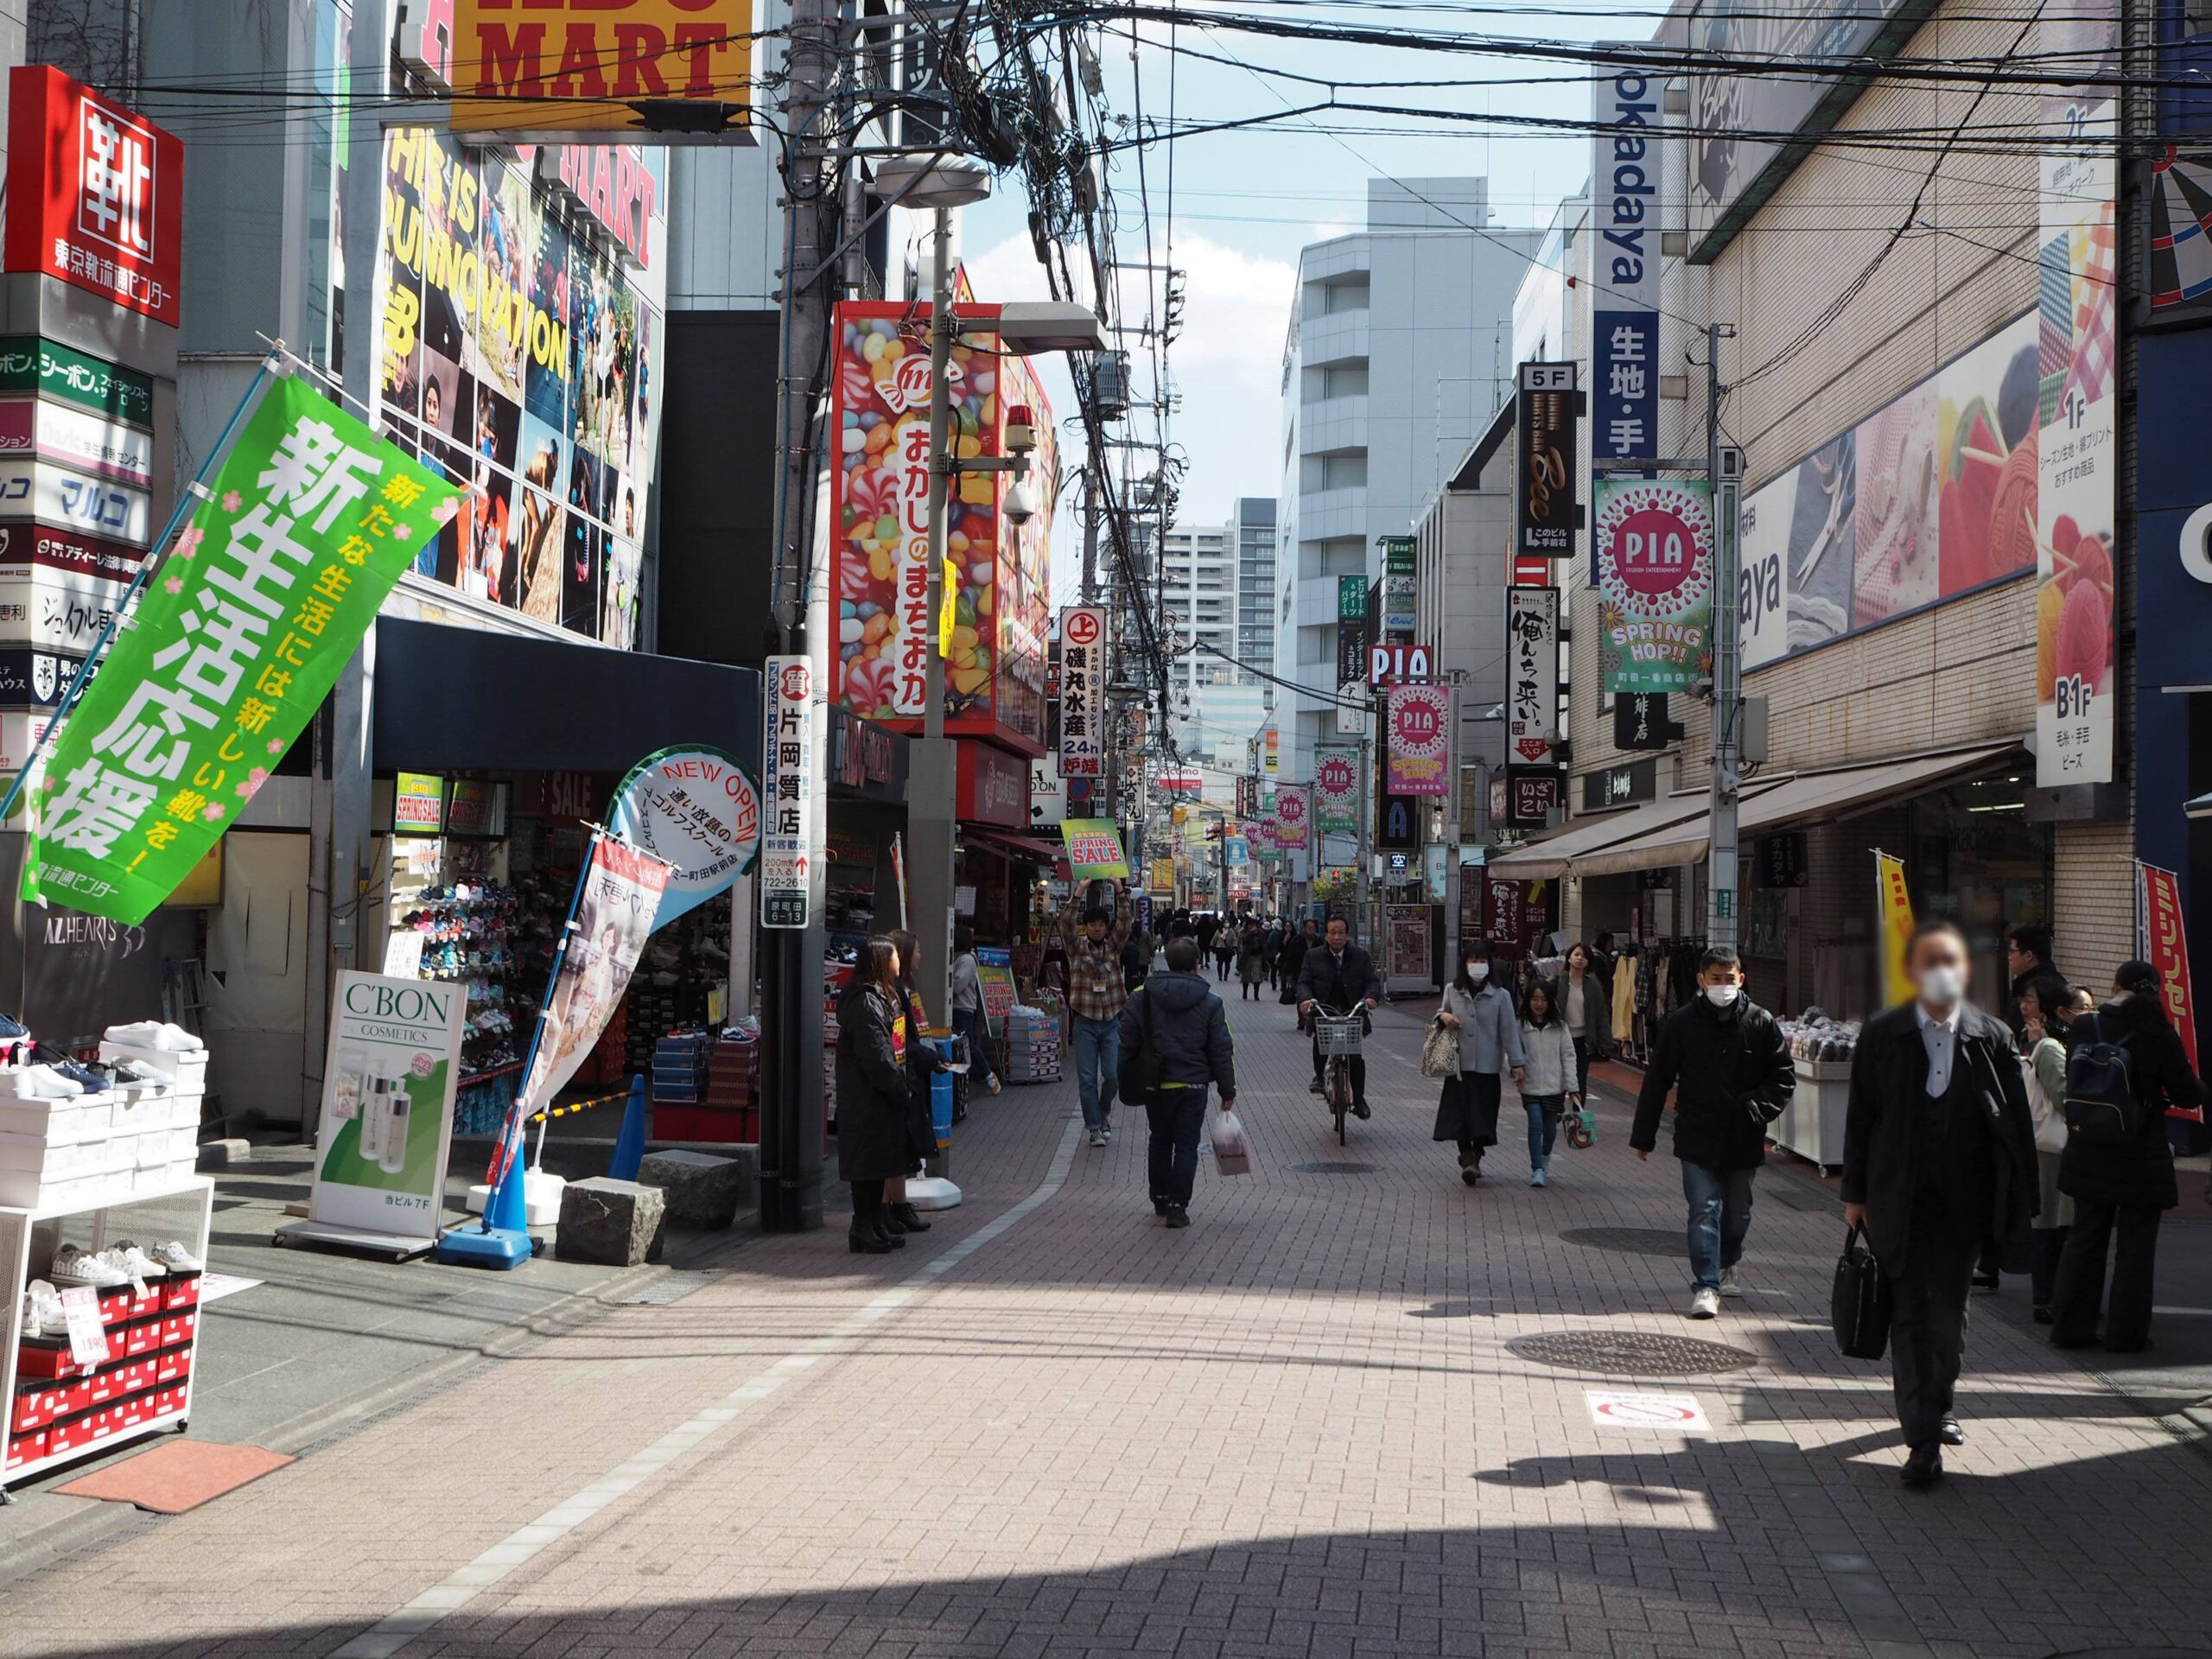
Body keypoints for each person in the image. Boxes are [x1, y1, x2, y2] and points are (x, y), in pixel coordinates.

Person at [1843, 920, 2037, 1487]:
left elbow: (2016, 1126)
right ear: (1910, 971)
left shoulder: (1992, 1036)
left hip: (1965, 1199)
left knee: (1948, 1314)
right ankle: (1922, 1439)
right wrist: (1854, 1194)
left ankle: (1940, 1401)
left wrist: (2022, 1198)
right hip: (1897, 1197)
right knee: (1909, 1315)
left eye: (1952, 961)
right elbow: (1862, 1119)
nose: (1943, 972)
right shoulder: (1882, 1035)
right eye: (1931, 962)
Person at [2050, 960, 2206, 1354]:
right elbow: (2187, 1093)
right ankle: (2126, 1334)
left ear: (2115, 985)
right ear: (2154, 991)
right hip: (2140, 1150)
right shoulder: (2158, 1033)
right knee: (2136, 1247)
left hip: (2089, 1145)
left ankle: (2070, 1328)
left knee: (2085, 1237)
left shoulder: (2087, 1026)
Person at [1631, 946, 1795, 1320]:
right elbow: (1657, 1079)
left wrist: (1757, 1108)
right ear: (1701, 980)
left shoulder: (1760, 1021)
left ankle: (1727, 1261)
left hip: (1743, 1134)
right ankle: (1706, 1285)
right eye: (1716, 979)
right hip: (1696, 1132)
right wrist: (1644, 1136)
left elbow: (1783, 1077)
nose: (1723, 985)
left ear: (1742, 979)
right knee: (1703, 1209)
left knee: (1737, 1214)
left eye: (1730, 978)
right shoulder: (1682, 1023)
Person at [1120, 938, 1238, 1229]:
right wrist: (1227, 1089)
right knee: (1187, 1145)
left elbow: (1126, 1042)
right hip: (1193, 1085)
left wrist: (1124, 1077)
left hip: (1154, 1083)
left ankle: (1159, 1196)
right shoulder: (1211, 1001)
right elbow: (1221, 1049)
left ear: (1167, 961)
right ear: (1197, 964)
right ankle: (1177, 1206)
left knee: (1159, 1140)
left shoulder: (1141, 995)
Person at [835, 938, 917, 1255]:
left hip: (880, 1093)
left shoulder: (884, 996)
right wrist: (896, 1085)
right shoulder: (866, 1001)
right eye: (894, 955)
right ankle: (863, 1226)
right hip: (866, 1094)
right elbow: (875, 1053)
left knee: (879, 1160)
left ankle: (874, 1222)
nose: (900, 959)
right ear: (883, 961)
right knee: (867, 1162)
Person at [2018, 981, 2082, 1323]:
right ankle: (2046, 1300)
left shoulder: (2042, 1045)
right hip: (2052, 1151)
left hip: (2045, 1148)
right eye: (2080, 1009)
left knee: (2051, 1228)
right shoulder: (2052, 1049)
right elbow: (2063, 1098)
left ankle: (2048, 1298)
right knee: (2051, 1228)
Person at [1057, 881, 1134, 1148]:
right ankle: (1094, 1127)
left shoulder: (1114, 948)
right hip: (1085, 1023)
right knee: (1087, 1079)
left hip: (1112, 1021)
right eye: (1092, 925)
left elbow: (1125, 922)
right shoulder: (1076, 950)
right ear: (1086, 928)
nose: (1097, 928)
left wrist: (1119, 889)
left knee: (1113, 1076)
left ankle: (1103, 1113)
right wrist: (1079, 892)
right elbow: (1066, 923)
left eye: (1101, 924)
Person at [886, 930, 944, 1236]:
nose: (921, 955)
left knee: (904, 1149)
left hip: (911, 1072)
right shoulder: (892, 992)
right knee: (896, 1147)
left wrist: (931, 1052)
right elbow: (899, 1040)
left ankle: (897, 1205)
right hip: (901, 1077)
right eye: (917, 950)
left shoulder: (907, 988)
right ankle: (890, 1208)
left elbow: (913, 1033)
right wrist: (924, 1055)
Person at [1300, 915, 1383, 1116]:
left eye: (1341, 933)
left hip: (1352, 1010)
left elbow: (1372, 981)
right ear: (1326, 935)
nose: (1337, 937)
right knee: (1321, 1042)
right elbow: (1303, 982)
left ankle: (1360, 1099)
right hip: (1324, 1008)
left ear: (1347, 935)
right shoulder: (1313, 956)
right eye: (1332, 932)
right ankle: (1319, 1077)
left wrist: (1370, 998)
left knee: (1355, 1057)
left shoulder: (1360, 956)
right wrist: (1306, 999)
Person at [1516, 980, 1575, 1187]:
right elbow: (1512, 1053)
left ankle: (1545, 1156)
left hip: (1554, 1087)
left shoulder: (1560, 1027)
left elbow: (1568, 1056)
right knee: (1536, 1124)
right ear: (1528, 1001)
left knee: (1550, 1131)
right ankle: (1537, 1169)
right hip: (1530, 1085)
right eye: (1534, 999)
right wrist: (1514, 1068)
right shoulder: (1521, 1025)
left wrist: (1572, 1086)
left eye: (1543, 999)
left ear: (1551, 1002)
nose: (1539, 1004)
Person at [949, 925, 1001, 1096]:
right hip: (958, 1008)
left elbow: (957, 985)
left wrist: (946, 983)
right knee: (962, 1045)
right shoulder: (960, 958)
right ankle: (965, 1078)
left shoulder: (967, 960)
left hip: (963, 1008)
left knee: (967, 1044)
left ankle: (989, 1075)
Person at [1561, 942, 1613, 1109]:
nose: (1579, 959)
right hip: (1562, 1038)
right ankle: (1555, 1110)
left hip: (1583, 1040)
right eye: (1576, 954)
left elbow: (1601, 1015)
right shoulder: (1558, 982)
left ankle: (1577, 1118)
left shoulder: (1593, 985)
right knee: (1559, 1077)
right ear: (1569, 957)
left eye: (1583, 956)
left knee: (1579, 1080)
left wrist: (1606, 1043)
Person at [2005, 924, 2068, 1039]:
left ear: (2028, 955)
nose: (2009, 957)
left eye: (2012, 951)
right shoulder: (2059, 982)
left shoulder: (2037, 988)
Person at [1237, 917, 1268, 1001]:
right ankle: (1245, 993)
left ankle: (1256, 995)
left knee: (1257, 975)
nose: (1251, 927)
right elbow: (1244, 940)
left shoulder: (1260, 932)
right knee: (1246, 975)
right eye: (1249, 925)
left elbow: (1264, 943)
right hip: (1247, 956)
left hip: (1258, 956)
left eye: (1252, 925)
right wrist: (1250, 933)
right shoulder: (1243, 932)